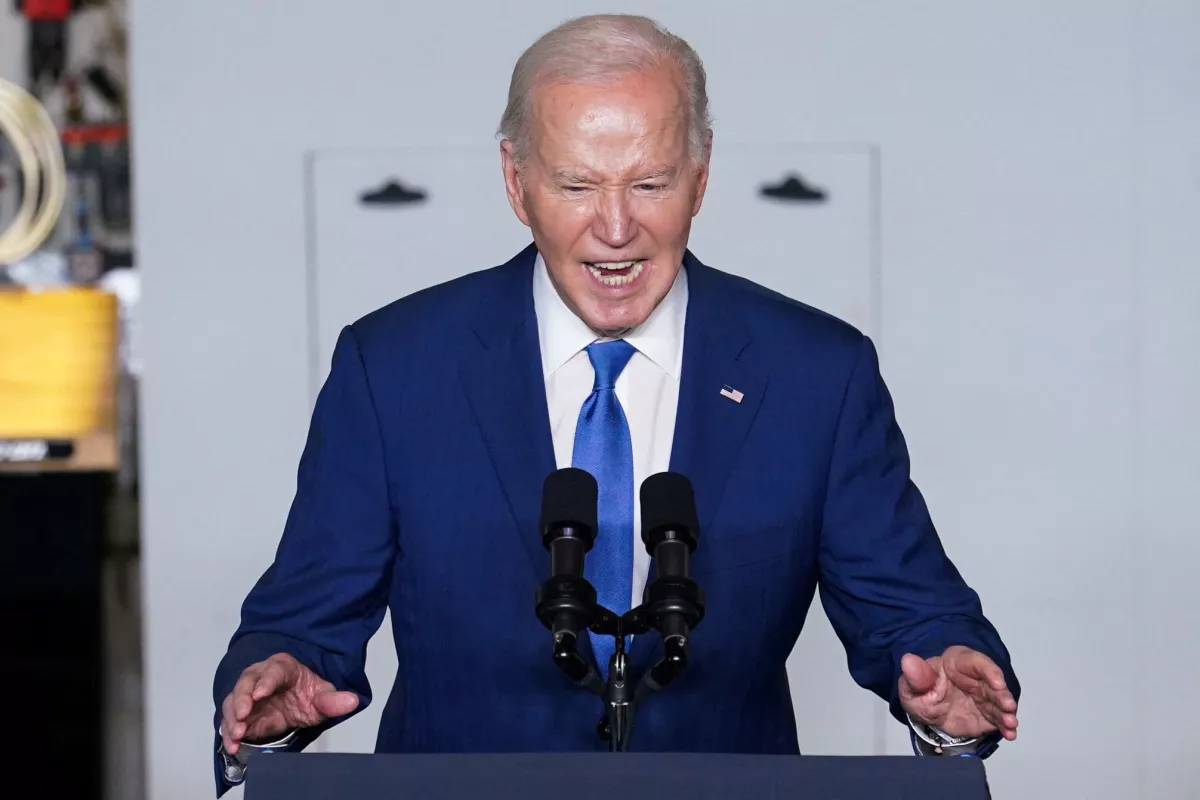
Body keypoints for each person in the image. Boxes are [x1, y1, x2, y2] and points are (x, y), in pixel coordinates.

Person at [212, 13, 1020, 794]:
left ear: (701, 177)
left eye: (650, 183)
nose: (615, 227)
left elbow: (913, 615)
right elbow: (304, 623)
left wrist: (946, 691)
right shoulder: (392, 368)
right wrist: (277, 700)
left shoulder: (816, 373)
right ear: (515, 181)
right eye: (576, 184)